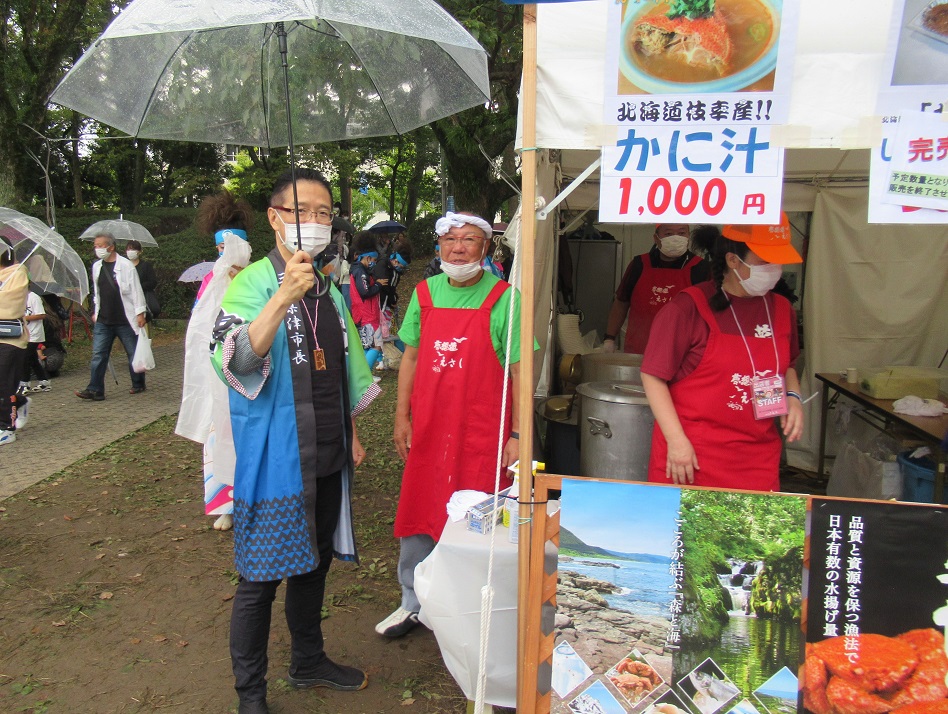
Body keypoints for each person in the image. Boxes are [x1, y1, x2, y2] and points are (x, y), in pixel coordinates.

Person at [211, 168, 379, 714]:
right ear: (275, 218)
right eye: (303, 210)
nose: (316, 222)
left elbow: (343, 365)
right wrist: (283, 295)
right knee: (261, 575)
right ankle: (250, 693)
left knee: (315, 561)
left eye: (325, 213)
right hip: (276, 457)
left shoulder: (329, 288)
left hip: (326, 448)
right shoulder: (251, 284)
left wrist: (350, 431)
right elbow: (234, 361)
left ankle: (308, 660)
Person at [378, 211, 531, 639]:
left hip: (481, 431)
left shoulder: (506, 299)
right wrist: (401, 416)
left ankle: (473, 609)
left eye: (469, 240)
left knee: (479, 517)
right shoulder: (424, 293)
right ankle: (413, 601)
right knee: (419, 507)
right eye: (450, 240)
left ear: (486, 249)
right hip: (430, 427)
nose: (458, 248)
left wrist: (519, 434)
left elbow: (521, 372)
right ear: (439, 247)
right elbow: (409, 356)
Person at [640, 216, 804, 492]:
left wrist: (794, 396)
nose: (775, 269)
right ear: (733, 260)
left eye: (779, 261)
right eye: (765, 261)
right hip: (691, 459)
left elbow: (787, 364)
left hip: (757, 460)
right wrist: (676, 440)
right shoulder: (687, 309)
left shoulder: (782, 309)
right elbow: (653, 376)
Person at [176, 190, 255, 532]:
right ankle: (225, 504)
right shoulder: (209, 282)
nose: (226, 254)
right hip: (216, 371)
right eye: (221, 248)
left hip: (250, 369)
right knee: (218, 435)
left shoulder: (260, 277)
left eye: (233, 246)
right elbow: (199, 328)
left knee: (250, 435)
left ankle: (256, 498)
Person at [603, 224, 709, 354]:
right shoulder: (639, 264)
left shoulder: (701, 268)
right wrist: (609, 339)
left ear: (688, 236)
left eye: (681, 233)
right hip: (639, 352)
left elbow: (709, 313)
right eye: (668, 234)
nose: (676, 238)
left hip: (682, 354)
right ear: (656, 238)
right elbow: (621, 302)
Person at [76, 232, 147, 401]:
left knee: (132, 353)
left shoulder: (126, 266)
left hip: (125, 320)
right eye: (95, 246)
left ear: (111, 246)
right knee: (99, 354)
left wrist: (140, 313)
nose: (98, 249)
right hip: (104, 320)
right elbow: (97, 292)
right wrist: (95, 311)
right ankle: (95, 389)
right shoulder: (97, 266)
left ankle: (138, 383)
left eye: (101, 245)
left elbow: (136, 291)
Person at [0, 239, 28, 445]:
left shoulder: (17, 274)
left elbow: (12, 305)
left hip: (11, 338)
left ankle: (7, 427)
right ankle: (19, 402)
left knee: (5, 381)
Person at [349, 231, 387, 369]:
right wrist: (378, 285)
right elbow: (365, 292)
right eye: (374, 260)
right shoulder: (360, 272)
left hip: (363, 314)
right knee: (376, 346)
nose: (374, 264)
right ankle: (366, 378)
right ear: (368, 258)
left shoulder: (358, 271)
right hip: (367, 316)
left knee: (367, 346)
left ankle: (363, 377)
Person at [22, 291, 51, 393]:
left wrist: (24, 318)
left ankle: (24, 384)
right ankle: (44, 382)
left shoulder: (34, 297)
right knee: (33, 359)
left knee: (25, 358)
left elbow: (41, 315)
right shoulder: (18, 297)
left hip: (34, 334)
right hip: (24, 333)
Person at [126, 240, 160, 321]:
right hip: (127, 300)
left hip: (142, 299)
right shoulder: (124, 266)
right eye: (128, 249)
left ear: (140, 252)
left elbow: (152, 282)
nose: (130, 252)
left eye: (133, 249)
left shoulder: (146, 266)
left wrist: (138, 287)